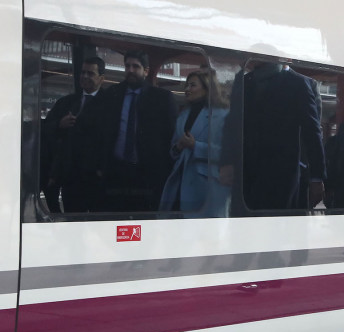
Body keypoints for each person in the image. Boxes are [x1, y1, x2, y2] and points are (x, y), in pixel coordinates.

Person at [219, 59, 325, 213]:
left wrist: (316, 177)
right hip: (246, 172)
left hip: (282, 173)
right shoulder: (243, 82)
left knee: (277, 224)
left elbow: (312, 131)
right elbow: (232, 124)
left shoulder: (298, 84)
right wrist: (226, 161)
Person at [96, 50, 177, 212]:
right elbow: (103, 131)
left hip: (148, 173)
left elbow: (170, 134)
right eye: (127, 66)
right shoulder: (113, 94)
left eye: (136, 66)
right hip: (116, 171)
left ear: (146, 71)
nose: (130, 70)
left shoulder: (162, 98)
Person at [159, 69, 230, 217]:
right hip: (179, 181)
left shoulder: (222, 115)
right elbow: (173, 148)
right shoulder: (183, 115)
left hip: (205, 186)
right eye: (187, 85)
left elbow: (227, 152)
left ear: (206, 88)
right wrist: (178, 147)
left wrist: (195, 146)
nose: (187, 90)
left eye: (192, 85)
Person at [43, 57, 106, 212]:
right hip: (70, 178)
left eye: (90, 73)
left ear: (101, 78)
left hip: (97, 178)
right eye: (82, 72)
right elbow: (45, 128)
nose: (85, 76)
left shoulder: (110, 103)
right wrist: (60, 124)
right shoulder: (66, 102)